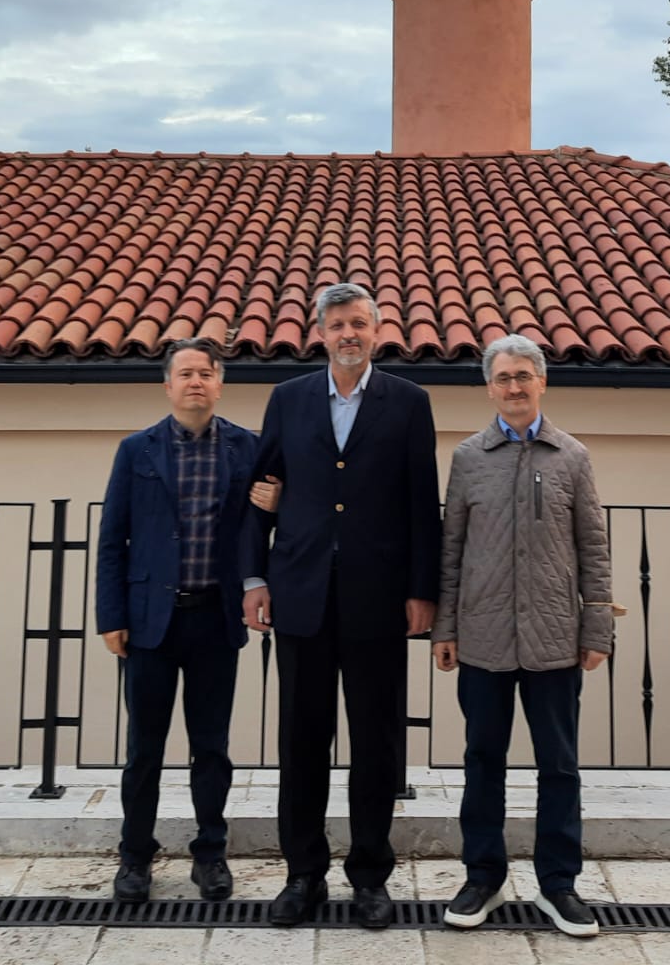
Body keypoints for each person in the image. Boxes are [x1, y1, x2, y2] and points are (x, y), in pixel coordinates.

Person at [239, 281, 442, 928]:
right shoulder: (289, 399)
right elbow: (260, 491)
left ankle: (371, 876)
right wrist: (253, 580)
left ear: (377, 330)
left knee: (378, 744)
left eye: (359, 323)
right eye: (337, 325)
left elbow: (421, 504)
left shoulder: (409, 403)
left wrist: (422, 590)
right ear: (320, 333)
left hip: (379, 602)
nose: (349, 334)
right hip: (298, 597)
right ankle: (303, 875)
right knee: (301, 741)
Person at [433, 334, 614, 939]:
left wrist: (596, 628)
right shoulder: (467, 459)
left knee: (557, 765)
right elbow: (450, 550)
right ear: (489, 388)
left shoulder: (572, 457)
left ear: (542, 383)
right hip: (483, 638)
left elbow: (593, 547)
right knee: (483, 760)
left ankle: (559, 885)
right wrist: (446, 627)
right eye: (503, 377)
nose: (514, 387)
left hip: (555, 640)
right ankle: (483, 875)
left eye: (523, 377)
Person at [94, 337, 258, 904]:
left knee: (211, 746)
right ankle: (135, 856)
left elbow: (261, 528)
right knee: (144, 747)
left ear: (219, 384)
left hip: (215, 618)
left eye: (205, 373)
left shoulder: (247, 448)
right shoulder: (136, 450)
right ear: (167, 385)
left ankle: (210, 854)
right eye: (184, 373)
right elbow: (113, 538)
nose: (195, 382)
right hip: (148, 625)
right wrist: (111, 615)